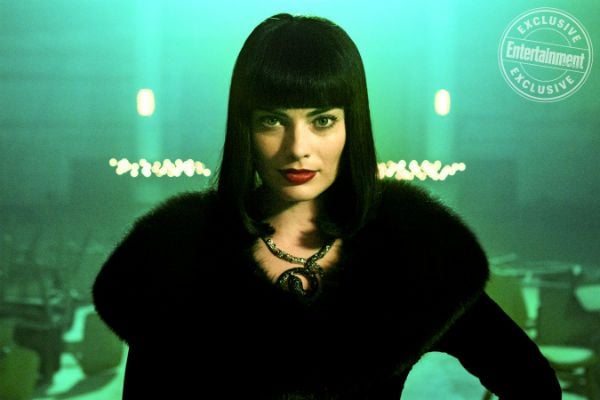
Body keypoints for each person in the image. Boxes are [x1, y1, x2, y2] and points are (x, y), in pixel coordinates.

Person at [92, 13, 561, 399]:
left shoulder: (412, 250)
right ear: (245, 128)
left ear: (350, 126)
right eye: (273, 120)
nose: (298, 148)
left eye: (322, 120)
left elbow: (532, 382)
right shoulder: (175, 257)